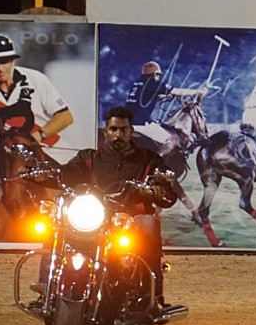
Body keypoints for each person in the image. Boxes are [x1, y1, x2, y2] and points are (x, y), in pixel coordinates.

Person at [56, 106, 178, 307]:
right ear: (106, 131)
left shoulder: (149, 159)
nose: (118, 134)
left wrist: (159, 188)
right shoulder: (89, 158)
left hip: (132, 218)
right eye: (113, 129)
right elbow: (65, 173)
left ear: (131, 131)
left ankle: (152, 295)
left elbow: (166, 190)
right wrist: (45, 175)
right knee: (56, 229)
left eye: (123, 130)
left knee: (148, 223)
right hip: (96, 217)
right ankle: (48, 287)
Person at [0, 34, 74, 164]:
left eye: (4, 62)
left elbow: (66, 117)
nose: (0, 69)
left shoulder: (36, 79)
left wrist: (39, 135)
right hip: (14, 166)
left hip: (57, 156)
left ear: (12, 61)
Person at [125, 60, 206, 125]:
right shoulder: (153, 83)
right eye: (158, 75)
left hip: (125, 119)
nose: (159, 78)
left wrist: (167, 95)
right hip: (140, 121)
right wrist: (198, 91)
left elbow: (148, 96)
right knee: (166, 139)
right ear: (155, 74)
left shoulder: (136, 83)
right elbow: (179, 91)